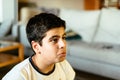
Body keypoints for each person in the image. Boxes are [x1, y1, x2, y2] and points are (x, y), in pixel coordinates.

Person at [2, 13, 75, 80]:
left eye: (63, 38)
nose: (63, 44)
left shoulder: (63, 64)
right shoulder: (19, 76)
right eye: (54, 40)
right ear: (36, 47)